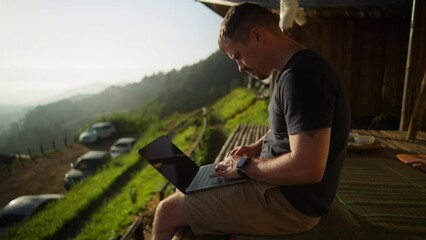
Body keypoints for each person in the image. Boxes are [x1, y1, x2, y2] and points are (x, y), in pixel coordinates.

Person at [151, 3, 350, 239]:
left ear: (257, 36)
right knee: (185, 184)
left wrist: (244, 166)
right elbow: (287, 130)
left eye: (238, 56)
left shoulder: (303, 78)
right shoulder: (292, 71)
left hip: (290, 205)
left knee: (167, 210)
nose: (240, 67)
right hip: (278, 188)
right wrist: (254, 148)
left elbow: (308, 168)